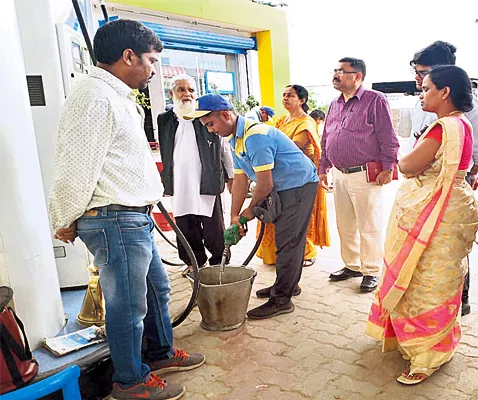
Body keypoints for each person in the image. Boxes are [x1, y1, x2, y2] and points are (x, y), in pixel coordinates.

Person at [48, 20, 204, 400]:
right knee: (128, 306)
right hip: (113, 218)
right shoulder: (93, 96)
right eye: (150, 61)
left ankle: (160, 353)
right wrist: (64, 218)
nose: (152, 70)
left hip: (132, 216)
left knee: (156, 290)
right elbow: (75, 165)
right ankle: (129, 381)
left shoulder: (115, 96)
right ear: (128, 56)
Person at [366, 65, 478, 385]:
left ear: (444, 92)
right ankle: (435, 346)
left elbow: (407, 166)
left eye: (427, 88)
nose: (421, 94)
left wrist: (407, 155)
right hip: (453, 205)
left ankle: (425, 355)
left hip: (436, 215)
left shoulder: (441, 128)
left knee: (423, 285)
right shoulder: (463, 124)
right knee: (443, 282)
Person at [185, 94, 319, 319]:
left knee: (289, 242)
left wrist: (247, 214)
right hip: (281, 186)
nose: (209, 130)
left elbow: (264, 184)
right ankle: (288, 285)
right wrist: (234, 215)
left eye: (210, 124)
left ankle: (282, 300)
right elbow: (240, 180)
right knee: (286, 240)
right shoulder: (233, 139)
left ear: (226, 115)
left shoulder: (255, 136)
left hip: (299, 185)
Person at [407, 41, 478, 316]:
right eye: (417, 72)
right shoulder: (422, 103)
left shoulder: (465, 110)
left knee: (449, 248)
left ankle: (456, 299)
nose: (419, 78)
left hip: (448, 183)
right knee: (427, 249)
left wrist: (470, 175)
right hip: (423, 184)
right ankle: (424, 299)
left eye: (425, 73)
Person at [319, 57, 400, 293]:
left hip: (366, 174)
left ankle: (371, 270)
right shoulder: (334, 104)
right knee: (345, 224)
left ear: (358, 76)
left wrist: (388, 167)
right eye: (335, 70)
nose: (336, 75)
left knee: (369, 225)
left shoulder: (375, 100)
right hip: (339, 173)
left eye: (342, 71)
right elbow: (327, 137)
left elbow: (388, 136)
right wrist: (323, 166)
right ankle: (352, 265)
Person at [157, 74, 234, 273]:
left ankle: (219, 263)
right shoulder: (164, 120)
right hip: (180, 183)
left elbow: (223, 148)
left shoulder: (206, 116)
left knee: (214, 227)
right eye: (181, 90)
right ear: (171, 93)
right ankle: (194, 263)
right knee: (185, 226)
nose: (187, 95)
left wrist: (231, 176)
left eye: (191, 90)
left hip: (207, 180)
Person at [255, 85, 330, 269]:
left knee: (298, 220)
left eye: (290, 95)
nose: (285, 98)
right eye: (284, 95)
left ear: (302, 100)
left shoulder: (306, 123)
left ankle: (306, 253)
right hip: (280, 177)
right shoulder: (282, 120)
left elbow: (293, 147)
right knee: (277, 216)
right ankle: (277, 254)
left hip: (300, 180)